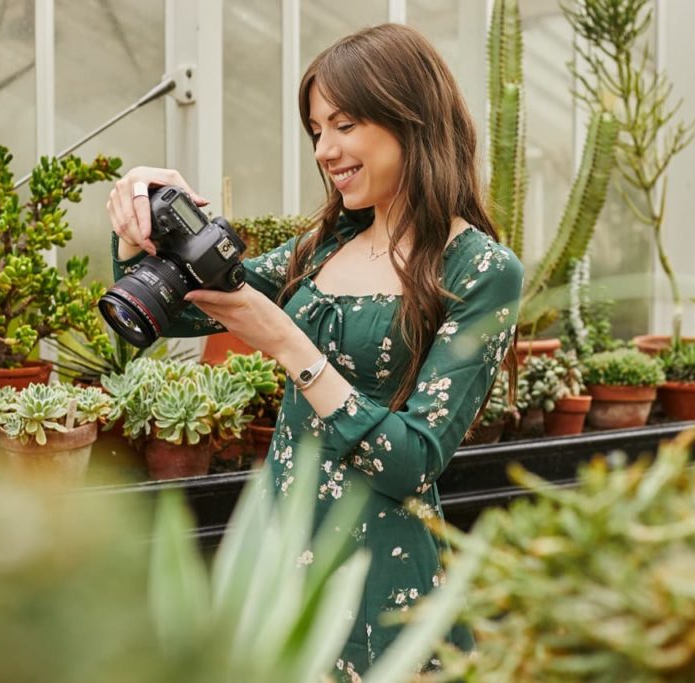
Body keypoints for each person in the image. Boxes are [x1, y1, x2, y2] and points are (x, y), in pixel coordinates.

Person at [106, 23, 523, 680]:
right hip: (276, 556)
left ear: (410, 118)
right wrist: (141, 232)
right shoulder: (322, 246)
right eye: (316, 131)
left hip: (379, 580)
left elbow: (414, 459)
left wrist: (286, 341)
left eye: (344, 124)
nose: (324, 149)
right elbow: (181, 312)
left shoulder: (480, 269)